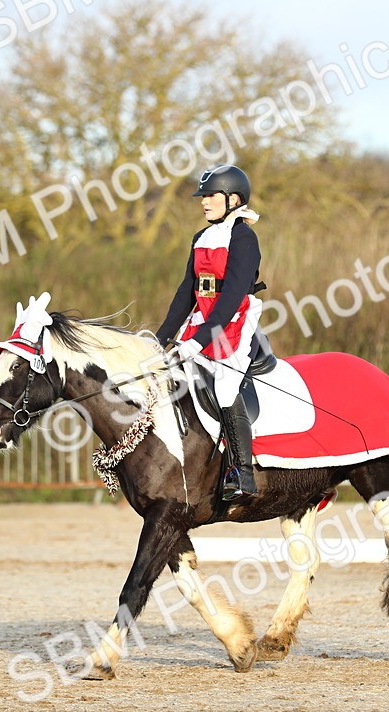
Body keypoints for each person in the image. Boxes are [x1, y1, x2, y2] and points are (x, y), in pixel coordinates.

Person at [157, 164, 265, 501]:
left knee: (224, 383)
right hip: (203, 316)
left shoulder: (243, 237)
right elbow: (186, 292)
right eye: (202, 196)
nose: (204, 202)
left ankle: (242, 473)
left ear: (233, 199)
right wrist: (160, 339)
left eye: (210, 196)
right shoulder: (201, 237)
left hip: (233, 320)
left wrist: (198, 341)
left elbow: (231, 297)